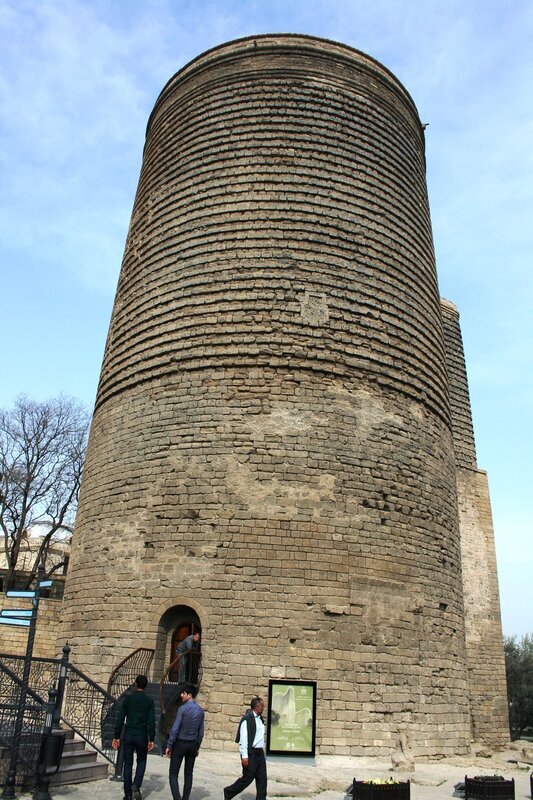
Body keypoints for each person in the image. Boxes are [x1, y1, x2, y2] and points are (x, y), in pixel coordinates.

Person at [112, 674, 155, 800]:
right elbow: (151, 721)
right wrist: (151, 738)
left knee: (128, 763)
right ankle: (136, 785)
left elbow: (120, 718)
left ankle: (128, 794)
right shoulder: (149, 701)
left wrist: (116, 736)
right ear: (146, 686)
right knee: (141, 761)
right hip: (141, 734)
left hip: (129, 734)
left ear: (136, 684)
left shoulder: (128, 699)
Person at [165, 684, 205, 800]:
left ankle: (177, 798)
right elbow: (201, 733)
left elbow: (175, 729)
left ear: (189, 695)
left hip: (180, 743)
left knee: (173, 773)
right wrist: (197, 747)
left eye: (183, 693)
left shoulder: (182, 709)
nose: (181, 695)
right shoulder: (200, 711)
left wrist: (169, 744)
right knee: (188, 774)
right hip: (192, 744)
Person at [224, 696, 267, 800]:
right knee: (247, 778)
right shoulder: (246, 720)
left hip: (260, 753)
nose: (264, 708)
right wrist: (244, 756)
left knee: (262, 779)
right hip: (251, 753)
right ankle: (229, 792)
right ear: (257, 706)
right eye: (262, 706)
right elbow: (244, 739)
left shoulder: (260, 719)